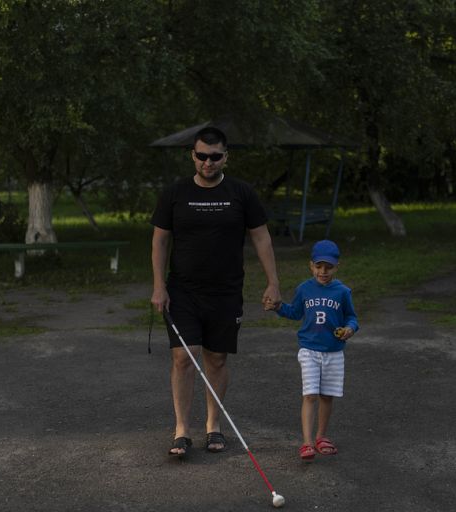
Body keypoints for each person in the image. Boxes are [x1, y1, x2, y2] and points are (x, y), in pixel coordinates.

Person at [151, 126, 281, 457]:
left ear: (226, 157)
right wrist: (158, 285)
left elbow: (261, 236)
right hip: (183, 290)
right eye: (201, 156)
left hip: (225, 292)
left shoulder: (242, 193)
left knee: (217, 358)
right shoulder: (175, 193)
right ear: (192, 156)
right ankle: (181, 429)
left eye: (215, 156)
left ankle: (213, 425)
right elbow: (160, 239)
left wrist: (273, 282)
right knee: (182, 357)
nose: (208, 163)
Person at [266, 239, 358, 461]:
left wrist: (349, 329)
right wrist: (278, 307)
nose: (323, 272)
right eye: (319, 266)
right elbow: (295, 312)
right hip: (309, 350)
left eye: (328, 267)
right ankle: (307, 443)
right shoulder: (304, 289)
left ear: (337, 266)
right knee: (310, 395)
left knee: (327, 396)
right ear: (311, 266)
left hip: (334, 351)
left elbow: (352, 317)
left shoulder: (343, 291)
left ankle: (321, 436)